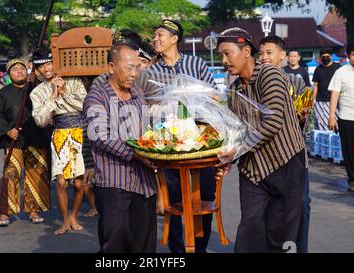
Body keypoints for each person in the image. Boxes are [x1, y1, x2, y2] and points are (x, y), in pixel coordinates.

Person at [217, 28, 306, 252]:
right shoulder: (234, 90)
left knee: (281, 235)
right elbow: (235, 131)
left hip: (285, 162)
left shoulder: (270, 75)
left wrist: (237, 151)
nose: (224, 60)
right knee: (249, 230)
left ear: (246, 51)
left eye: (227, 54)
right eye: (221, 55)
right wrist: (227, 160)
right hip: (253, 171)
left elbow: (273, 120)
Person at [149, 19, 217, 253]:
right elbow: (148, 104)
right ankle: (178, 250)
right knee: (174, 199)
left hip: (200, 142)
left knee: (205, 196)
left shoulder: (195, 64)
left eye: (160, 35)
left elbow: (214, 96)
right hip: (169, 144)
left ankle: (200, 246)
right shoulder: (151, 71)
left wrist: (187, 96)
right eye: (155, 35)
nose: (155, 39)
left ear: (174, 38)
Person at [84, 43, 158, 253]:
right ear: (111, 67)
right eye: (128, 68)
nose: (134, 73)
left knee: (144, 245)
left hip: (145, 183)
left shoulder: (137, 94)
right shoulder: (97, 96)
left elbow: (147, 129)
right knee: (115, 244)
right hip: (114, 183)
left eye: (137, 67)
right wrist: (135, 154)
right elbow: (101, 135)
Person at [30, 49, 93, 234]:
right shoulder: (37, 92)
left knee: (80, 183)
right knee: (61, 182)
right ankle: (65, 220)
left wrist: (64, 91)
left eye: (49, 63)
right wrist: (52, 98)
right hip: (60, 134)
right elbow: (40, 120)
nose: (46, 68)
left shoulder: (73, 80)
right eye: (41, 66)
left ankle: (73, 215)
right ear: (37, 70)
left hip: (81, 133)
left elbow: (85, 105)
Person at [259, 35, 311, 253]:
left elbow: (304, 120)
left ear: (283, 56)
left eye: (269, 53)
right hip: (264, 159)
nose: (264, 58)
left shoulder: (296, 82)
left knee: (302, 206)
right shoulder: (254, 84)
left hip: (294, 156)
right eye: (260, 53)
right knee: (268, 210)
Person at [0, 59, 51, 226]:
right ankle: (5, 212)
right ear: (9, 75)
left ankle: (33, 209)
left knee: (36, 174)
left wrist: (36, 82)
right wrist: (7, 131)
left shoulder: (37, 89)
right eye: (15, 70)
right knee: (11, 174)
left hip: (36, 137)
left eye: (22, 69)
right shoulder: (3, 93)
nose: (19, 72)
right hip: (13, 140)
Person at [328, 41, 354, 193]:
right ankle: (353, 179)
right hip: (347, 116)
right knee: (350, 151)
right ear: (348, 56)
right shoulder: (341, 72)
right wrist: (332, 116)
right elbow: (335, 94)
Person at [311, 48, 341, 130]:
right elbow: (315, 85)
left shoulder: (337, 67)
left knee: (335, 124)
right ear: (320, 58)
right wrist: (313, 100)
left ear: (331, 56)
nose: (326, 58)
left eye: (327, 56)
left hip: (334, 101)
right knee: (321, 124)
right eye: (323, 56)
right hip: (320, 101)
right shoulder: (318, 69)